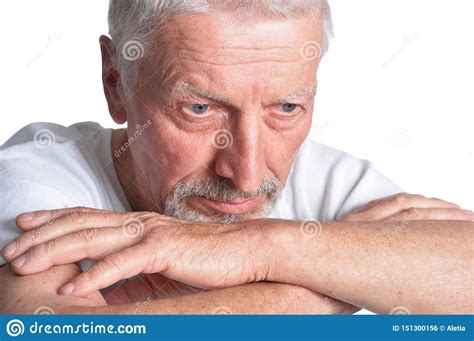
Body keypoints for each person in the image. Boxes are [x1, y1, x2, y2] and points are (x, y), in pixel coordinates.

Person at [1, 0, 472, 315]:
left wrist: (263, 247)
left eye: (286, 108)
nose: (246, 177)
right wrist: (320, 289)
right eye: (200, 109)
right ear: (115, 81)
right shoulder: (43, 174)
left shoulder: (328, 178)